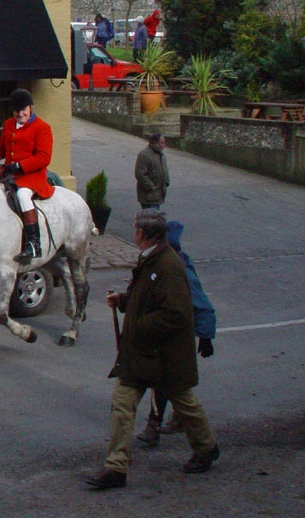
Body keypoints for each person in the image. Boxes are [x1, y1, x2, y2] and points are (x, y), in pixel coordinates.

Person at [85, 210, 220, 490]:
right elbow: (145, 298)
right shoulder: (151, 260)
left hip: (163, 355)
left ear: (143, 235)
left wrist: (138, 325)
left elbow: (175, 315)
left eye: (135, 229)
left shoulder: (169, 267)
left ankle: (206, 448)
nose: (133, 233)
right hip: (145, 353)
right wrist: (123, 301)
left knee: (184, 402)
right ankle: (116, 468)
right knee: (123, 403)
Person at [137, 220, 217, 445]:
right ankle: (171, 421)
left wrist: (206, 336)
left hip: (175, 339)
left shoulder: (175, 267)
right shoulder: (157, 263)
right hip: (162, 336)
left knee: (169, 385)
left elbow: (202, 305)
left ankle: (161, 426)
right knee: (169, 384)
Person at [0, 88, 54, 262]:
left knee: (22, 196)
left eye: (23, 109)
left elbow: (44, 158)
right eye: (16, 110)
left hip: (32, 177)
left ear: (30, 108)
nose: (20, 113)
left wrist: (19, 166)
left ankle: (33, 243)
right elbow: (0, 147)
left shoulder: (42, 127)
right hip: (9, 175)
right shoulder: (9, 124)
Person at [135, 133, 169, 210]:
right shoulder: (144, 155)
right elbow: (140, 174)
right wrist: (151, 186)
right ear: (155, 143)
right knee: (151, 218)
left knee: (155, 217)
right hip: (149, 196)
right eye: (162, 143)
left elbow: (164, 169)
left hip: (157, 194)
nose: (164, 145)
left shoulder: (160, 155)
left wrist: (166, 181)